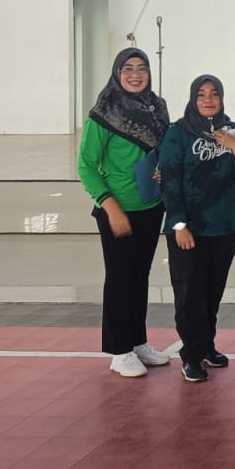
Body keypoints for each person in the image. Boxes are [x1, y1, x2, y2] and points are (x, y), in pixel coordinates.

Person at [77, 47, 172, 378]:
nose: (136, 73)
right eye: (128, 68)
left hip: (151, 205)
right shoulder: (103, 113)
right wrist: (110, 206)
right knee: (119, 279)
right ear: (117, 73)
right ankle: (119, 350)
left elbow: (164, 148)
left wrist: (163, 166)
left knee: (139, 276)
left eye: (142, 67)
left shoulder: (157, 108)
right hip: (118, 209)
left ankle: (137, 341)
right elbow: (86, 166)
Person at [158, 75, 235, 384]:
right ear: (193, 99)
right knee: (189, 294)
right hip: (188, 230)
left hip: (223, 227)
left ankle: (206, 346)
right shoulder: (177, 133)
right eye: (201, 95)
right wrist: (179, 223)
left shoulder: (234, 130)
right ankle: (191, 356)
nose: (208, 100)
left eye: (214, 94)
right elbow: (169, 179)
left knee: (212, 292)